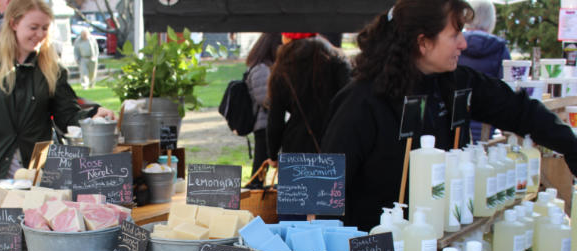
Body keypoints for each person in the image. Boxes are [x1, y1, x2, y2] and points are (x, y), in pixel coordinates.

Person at [322, 0, 577, 233]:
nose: (463, 44)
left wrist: (571, 145)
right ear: (423, 42)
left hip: (444, 246)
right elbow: (324, 188)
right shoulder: (361, 101)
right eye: (455, 35)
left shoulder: (457, 84)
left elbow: (521, 111)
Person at [0, 0, 115, 181]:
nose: (40, 34)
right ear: (14, 24)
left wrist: (93, 114)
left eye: (45, 28)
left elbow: (67, 116)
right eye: (33, 27)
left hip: (39, 175)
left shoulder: (52, 70)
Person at [265, 34, 351, 166]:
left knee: (298, 186)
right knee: (330, 187)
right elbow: (348, 103)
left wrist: (273, 154)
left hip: (297, 148)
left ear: (287, 38)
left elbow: (275, 119)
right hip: (334, 143)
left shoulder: (284, 66)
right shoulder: (337, 59)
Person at [458, 0, 511, 142]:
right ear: (491, 19)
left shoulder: (455, 43)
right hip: (486, 125)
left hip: (457, 121)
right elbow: (506, 89)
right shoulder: (500, 48)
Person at [244, 32, 281, 181]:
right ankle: (255, 199)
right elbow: (264, 99)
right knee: (259, 169)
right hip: (264, 125)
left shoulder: (265, 67)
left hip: (266, 124)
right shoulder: (261, 69)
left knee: (261, 167)